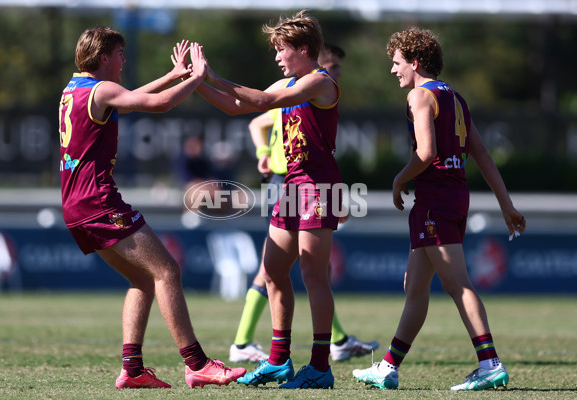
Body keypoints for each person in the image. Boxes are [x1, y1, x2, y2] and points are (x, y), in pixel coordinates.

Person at [58, 26, 246, 389]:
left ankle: (132, 370)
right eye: (119, 55)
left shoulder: (73, 89)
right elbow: (158, 104)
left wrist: (173, 75)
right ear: (103, 59)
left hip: (75, 205)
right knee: (167, 271)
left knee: (142, 279)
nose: (124, 60)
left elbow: (127, 98)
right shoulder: (102, 88)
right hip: (99, 202)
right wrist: (197, 78)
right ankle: (197, 363)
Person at [352, 27, 526, 391]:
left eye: (397, 62)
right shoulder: (455, 98)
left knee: (457, 284)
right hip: (453, 197)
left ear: (415, 62)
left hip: (435, 201)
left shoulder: (420, 96)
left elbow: (426, 153)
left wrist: (399, 179)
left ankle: (490, 363)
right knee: (414, 286)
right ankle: (388, 367)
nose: (393, 70)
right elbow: (482, 156)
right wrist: (506, 205)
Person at [195, 9, 341, 389]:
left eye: (282, 49)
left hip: (318, 187)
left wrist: (214, 76)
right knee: (274, 273)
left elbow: (259, 101)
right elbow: (235, 106)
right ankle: (278, 361)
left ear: (303, 48)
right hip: (291, 187)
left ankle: (321, 366)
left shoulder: (318, 82)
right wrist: (195, 83)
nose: (276, 56)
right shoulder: (289, 82)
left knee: (312, 275)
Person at [229, 42, 379, 365]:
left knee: (308, 269)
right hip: (285, 181)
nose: (337, 72)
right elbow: (257, 118)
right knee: (279, 269)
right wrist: (264, 154)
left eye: (338, 67)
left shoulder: (314, 90)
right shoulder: (297, 87)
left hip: (308, 182)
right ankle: (246, 343)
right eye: (333, 65)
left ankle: (330, 343)